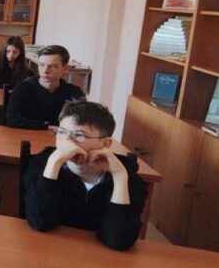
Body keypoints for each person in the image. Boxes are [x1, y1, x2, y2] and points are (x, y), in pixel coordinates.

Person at [24, 100, 148, 251]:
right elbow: (40, 222)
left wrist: (119, 176)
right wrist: (54, 163)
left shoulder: (130, 180)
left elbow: (118, 240)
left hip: (101, 258)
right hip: (51, 250)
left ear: (105, 144)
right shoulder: (42, 166)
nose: (66, 143)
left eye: (79, 135)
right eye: (61, 132)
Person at [6, 44, 86, 130]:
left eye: (53, 66)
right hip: (27, 135)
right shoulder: (23, 88)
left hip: (60, 137)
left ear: (66, 68)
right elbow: (11, 119)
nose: (45, 71)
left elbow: (82, 122)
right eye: (42, 65)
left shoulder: (74, 93)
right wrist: (48, 127)